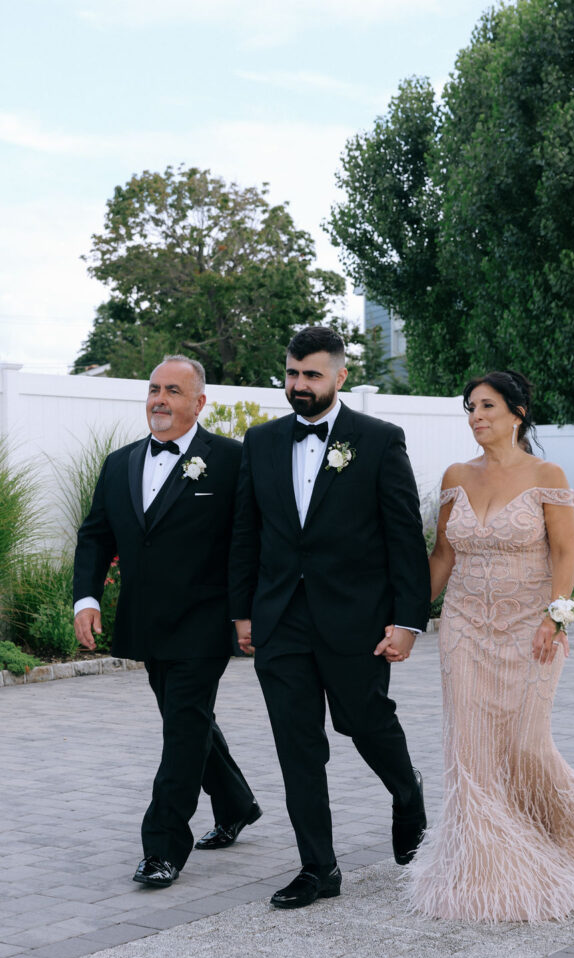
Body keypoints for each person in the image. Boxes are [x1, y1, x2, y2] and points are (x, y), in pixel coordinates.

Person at [406, 370, 574, 922]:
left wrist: (556, 619)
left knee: (525, 745)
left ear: (517, 413)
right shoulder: (455, 476)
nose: (476, 417)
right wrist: (406, 618)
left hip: (531, 631)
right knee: (471, 750)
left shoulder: (548, 475)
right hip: (465, 629)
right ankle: (487, 870)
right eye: (470, 408)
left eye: (488, 406)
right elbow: (444, 556)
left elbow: (566, 554)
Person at [230, 326, 431, 909]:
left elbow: (404, 539)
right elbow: (247, 534)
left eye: (312, 375)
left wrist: (407, 621)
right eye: (292, 373)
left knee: (365, 723)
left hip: (355, 620)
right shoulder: (261, 442)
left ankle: (406, 792)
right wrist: (242, 612)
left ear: (340, 376)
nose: (299, 385)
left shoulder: (378, 440)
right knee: (298, 746)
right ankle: (319, 867)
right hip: (280, 622)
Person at [73, 355, 260, 888]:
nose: (160, 398)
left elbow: (248, 542)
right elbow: (95, 537)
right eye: (154, 388)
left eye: (173, 390)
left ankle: (162, 846)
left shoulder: (230, 460)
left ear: (199, 403)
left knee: (182, 727)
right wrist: (86, 598)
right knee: (189, 719)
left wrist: (248, 611)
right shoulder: (120, 463)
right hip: (146, 621)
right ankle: (237, 803)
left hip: (204, 620)